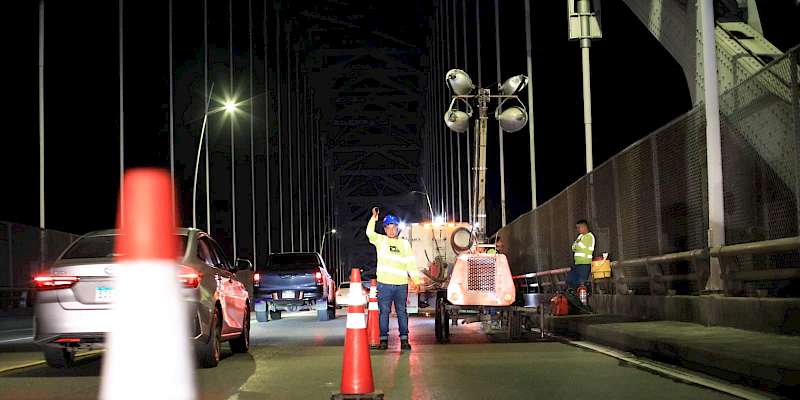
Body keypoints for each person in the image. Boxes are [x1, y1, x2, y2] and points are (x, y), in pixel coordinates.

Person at [366, 207, 421, 351]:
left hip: (401, 285)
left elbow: (411, 263)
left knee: (402, 312)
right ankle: (383, 340)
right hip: (384, 284)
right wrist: (374, 218)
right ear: (384, 229)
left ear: (397, 228)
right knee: (384, 312)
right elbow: (369, 233)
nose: (391, 230)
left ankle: (404, 340)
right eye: (388, 228)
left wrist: (416, 280)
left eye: (394, 227)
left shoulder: (404, 244)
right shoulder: (381, 241)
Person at [568, 219, 595, 290]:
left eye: (579, 227)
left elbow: (578, 246)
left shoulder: (589, 236)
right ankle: (575, 297)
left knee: (581, 283)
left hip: (585, 264)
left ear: (584, 227)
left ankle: (583, 298)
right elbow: (573, 247)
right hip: (577, 263)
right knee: (570, 280)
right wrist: (576, 245)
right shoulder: (580, 236)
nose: (577, 229)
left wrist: (576, 245)